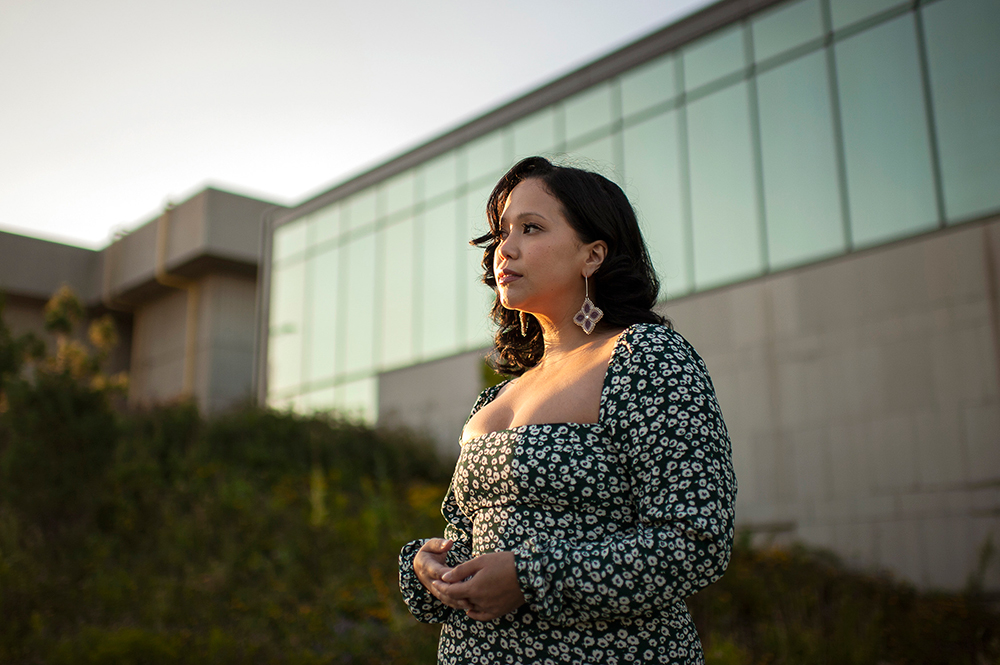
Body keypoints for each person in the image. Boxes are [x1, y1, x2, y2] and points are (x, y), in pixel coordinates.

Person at [399, 156, 736, 664]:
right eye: (500, 234)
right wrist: (434, 570)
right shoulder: (496, 396)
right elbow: (465, 536)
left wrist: (531, 577)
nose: (504, 249)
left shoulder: (644, 357)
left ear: (592, 254)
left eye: (531, 228)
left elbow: (694, 539)